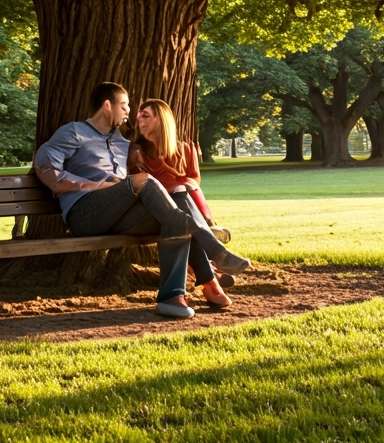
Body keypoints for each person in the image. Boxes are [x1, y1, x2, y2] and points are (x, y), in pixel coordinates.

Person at [33, 82, 250, 319]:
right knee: (144, 180)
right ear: (108, 106)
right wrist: (90, 184)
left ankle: (172, 297)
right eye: (124, 105)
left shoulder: (123, 143)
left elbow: (158, 156)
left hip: (118, 216)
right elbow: (45, 167)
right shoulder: (74, 132)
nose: (128, 112)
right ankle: (215, 254)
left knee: (177, 205)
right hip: (85, 213)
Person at [129, 99, 232, 308]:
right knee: (178, 202)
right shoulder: (136, 152)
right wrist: (176, 185)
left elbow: (193, 180)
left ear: (162, 120)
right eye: (139, 115)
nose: (139, 119)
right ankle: (211, 273)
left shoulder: (184, 149)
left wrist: (177, 185)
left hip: (181, 210)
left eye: (146, 115)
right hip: (149, 212)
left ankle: (209, 277)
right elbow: (143, 187)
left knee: (181, 204)